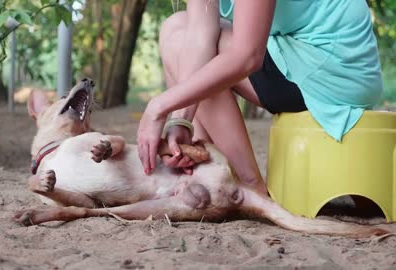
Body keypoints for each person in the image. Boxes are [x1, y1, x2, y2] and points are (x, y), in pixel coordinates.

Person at [136, 0, 383, 195]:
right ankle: (206, 171)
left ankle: (249, 185)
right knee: (176, 26)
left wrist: (159, 106)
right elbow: (200, 33)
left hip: (334, 71)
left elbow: (247, 57)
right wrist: (181, 120)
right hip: (298, 53)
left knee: (181, 39)